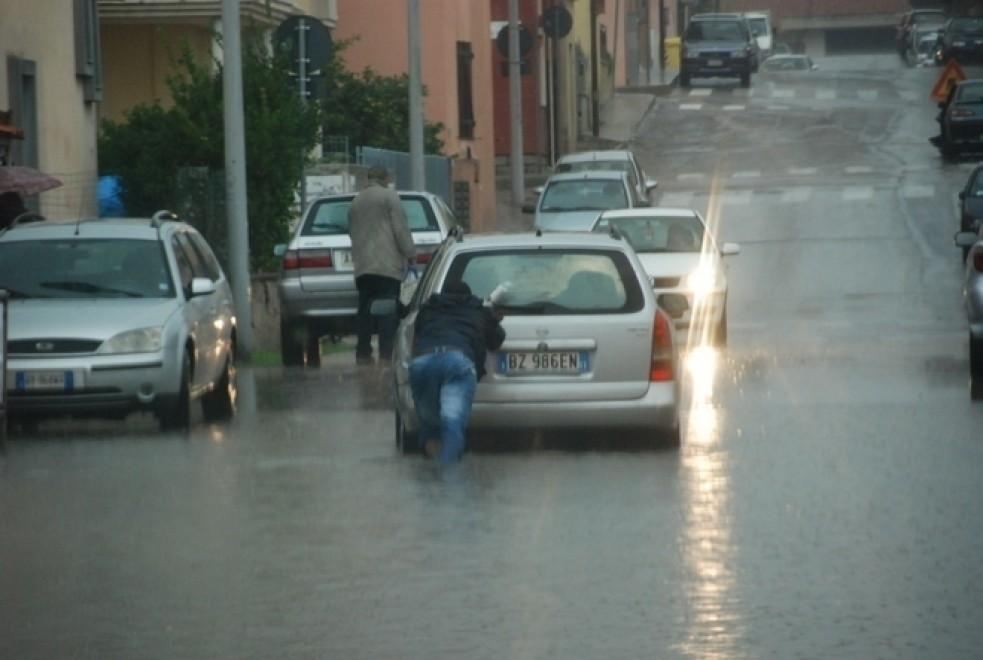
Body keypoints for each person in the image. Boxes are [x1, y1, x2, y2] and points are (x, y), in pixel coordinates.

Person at [409, 280, 506, 463]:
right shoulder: (477, 311)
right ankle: (449, 479)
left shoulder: (428, 309)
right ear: (469, 297)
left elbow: (417, 338)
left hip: (423, 364)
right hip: (457, 362)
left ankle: (430, 476)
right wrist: (493, 320)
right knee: (451, 421)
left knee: (430, 425)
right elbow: (496, 341)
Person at [348, 166, 416, 366]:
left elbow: (351, 231)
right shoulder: (389, 197)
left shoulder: (356, 201)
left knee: (364, 311)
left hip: (363, 267)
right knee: (387, 310)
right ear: (385, 178)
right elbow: (400, 228)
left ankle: (362, 352)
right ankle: (387, 354)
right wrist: (410, 253)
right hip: (386, 266)